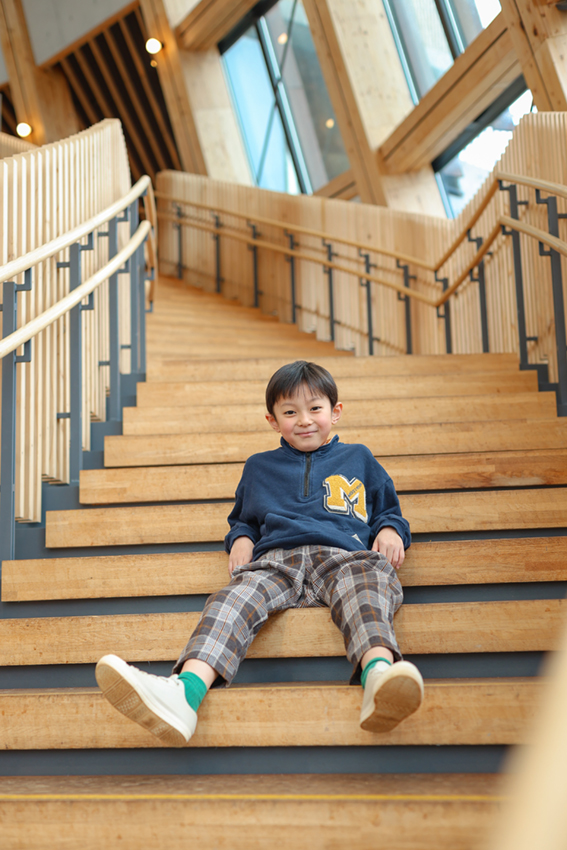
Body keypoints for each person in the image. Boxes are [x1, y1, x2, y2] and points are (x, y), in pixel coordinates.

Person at [96, 360, 424, 747]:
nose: (304, 420)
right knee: (232, 599)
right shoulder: (258, 467)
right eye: (290, 412)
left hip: (343, 556)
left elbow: (388, 510)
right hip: (276, 562)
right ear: (273, 420)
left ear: (335, 412)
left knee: (366, 587)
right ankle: (184, 693)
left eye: (315, 408)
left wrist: (389, 529)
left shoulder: (360, 458)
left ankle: (379, 675)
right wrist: (240, 540)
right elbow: (244, 521)